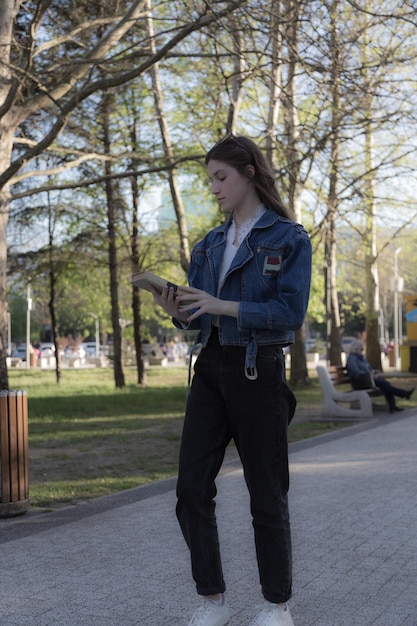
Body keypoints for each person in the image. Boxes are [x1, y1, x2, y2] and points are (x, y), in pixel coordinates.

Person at [150, 133, 312, 626]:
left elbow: (289, 312)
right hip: (211, 369)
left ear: (248, 173)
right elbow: (199, 319)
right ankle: (212, 600)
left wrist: (224, 305)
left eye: (221, 177)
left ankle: (277, 605)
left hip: (257, 368)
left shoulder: (289, 238)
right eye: (210, 180)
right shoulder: (210, 243)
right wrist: (175, 311)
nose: (215, 188)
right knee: (190, 490)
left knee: (267, 491)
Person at [346, 339, 414, 413]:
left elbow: (369, 369)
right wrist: (369, 375)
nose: (362, 351)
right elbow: (356, 372)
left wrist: (372, 373)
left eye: (363, 349)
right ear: (355, 349)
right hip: (360, 382)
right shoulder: (352, 359)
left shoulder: (361, 358)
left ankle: (394, 404)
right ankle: (403, 395)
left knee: (386, 384)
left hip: (369, 379)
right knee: (384, 384)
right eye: (361, 349)